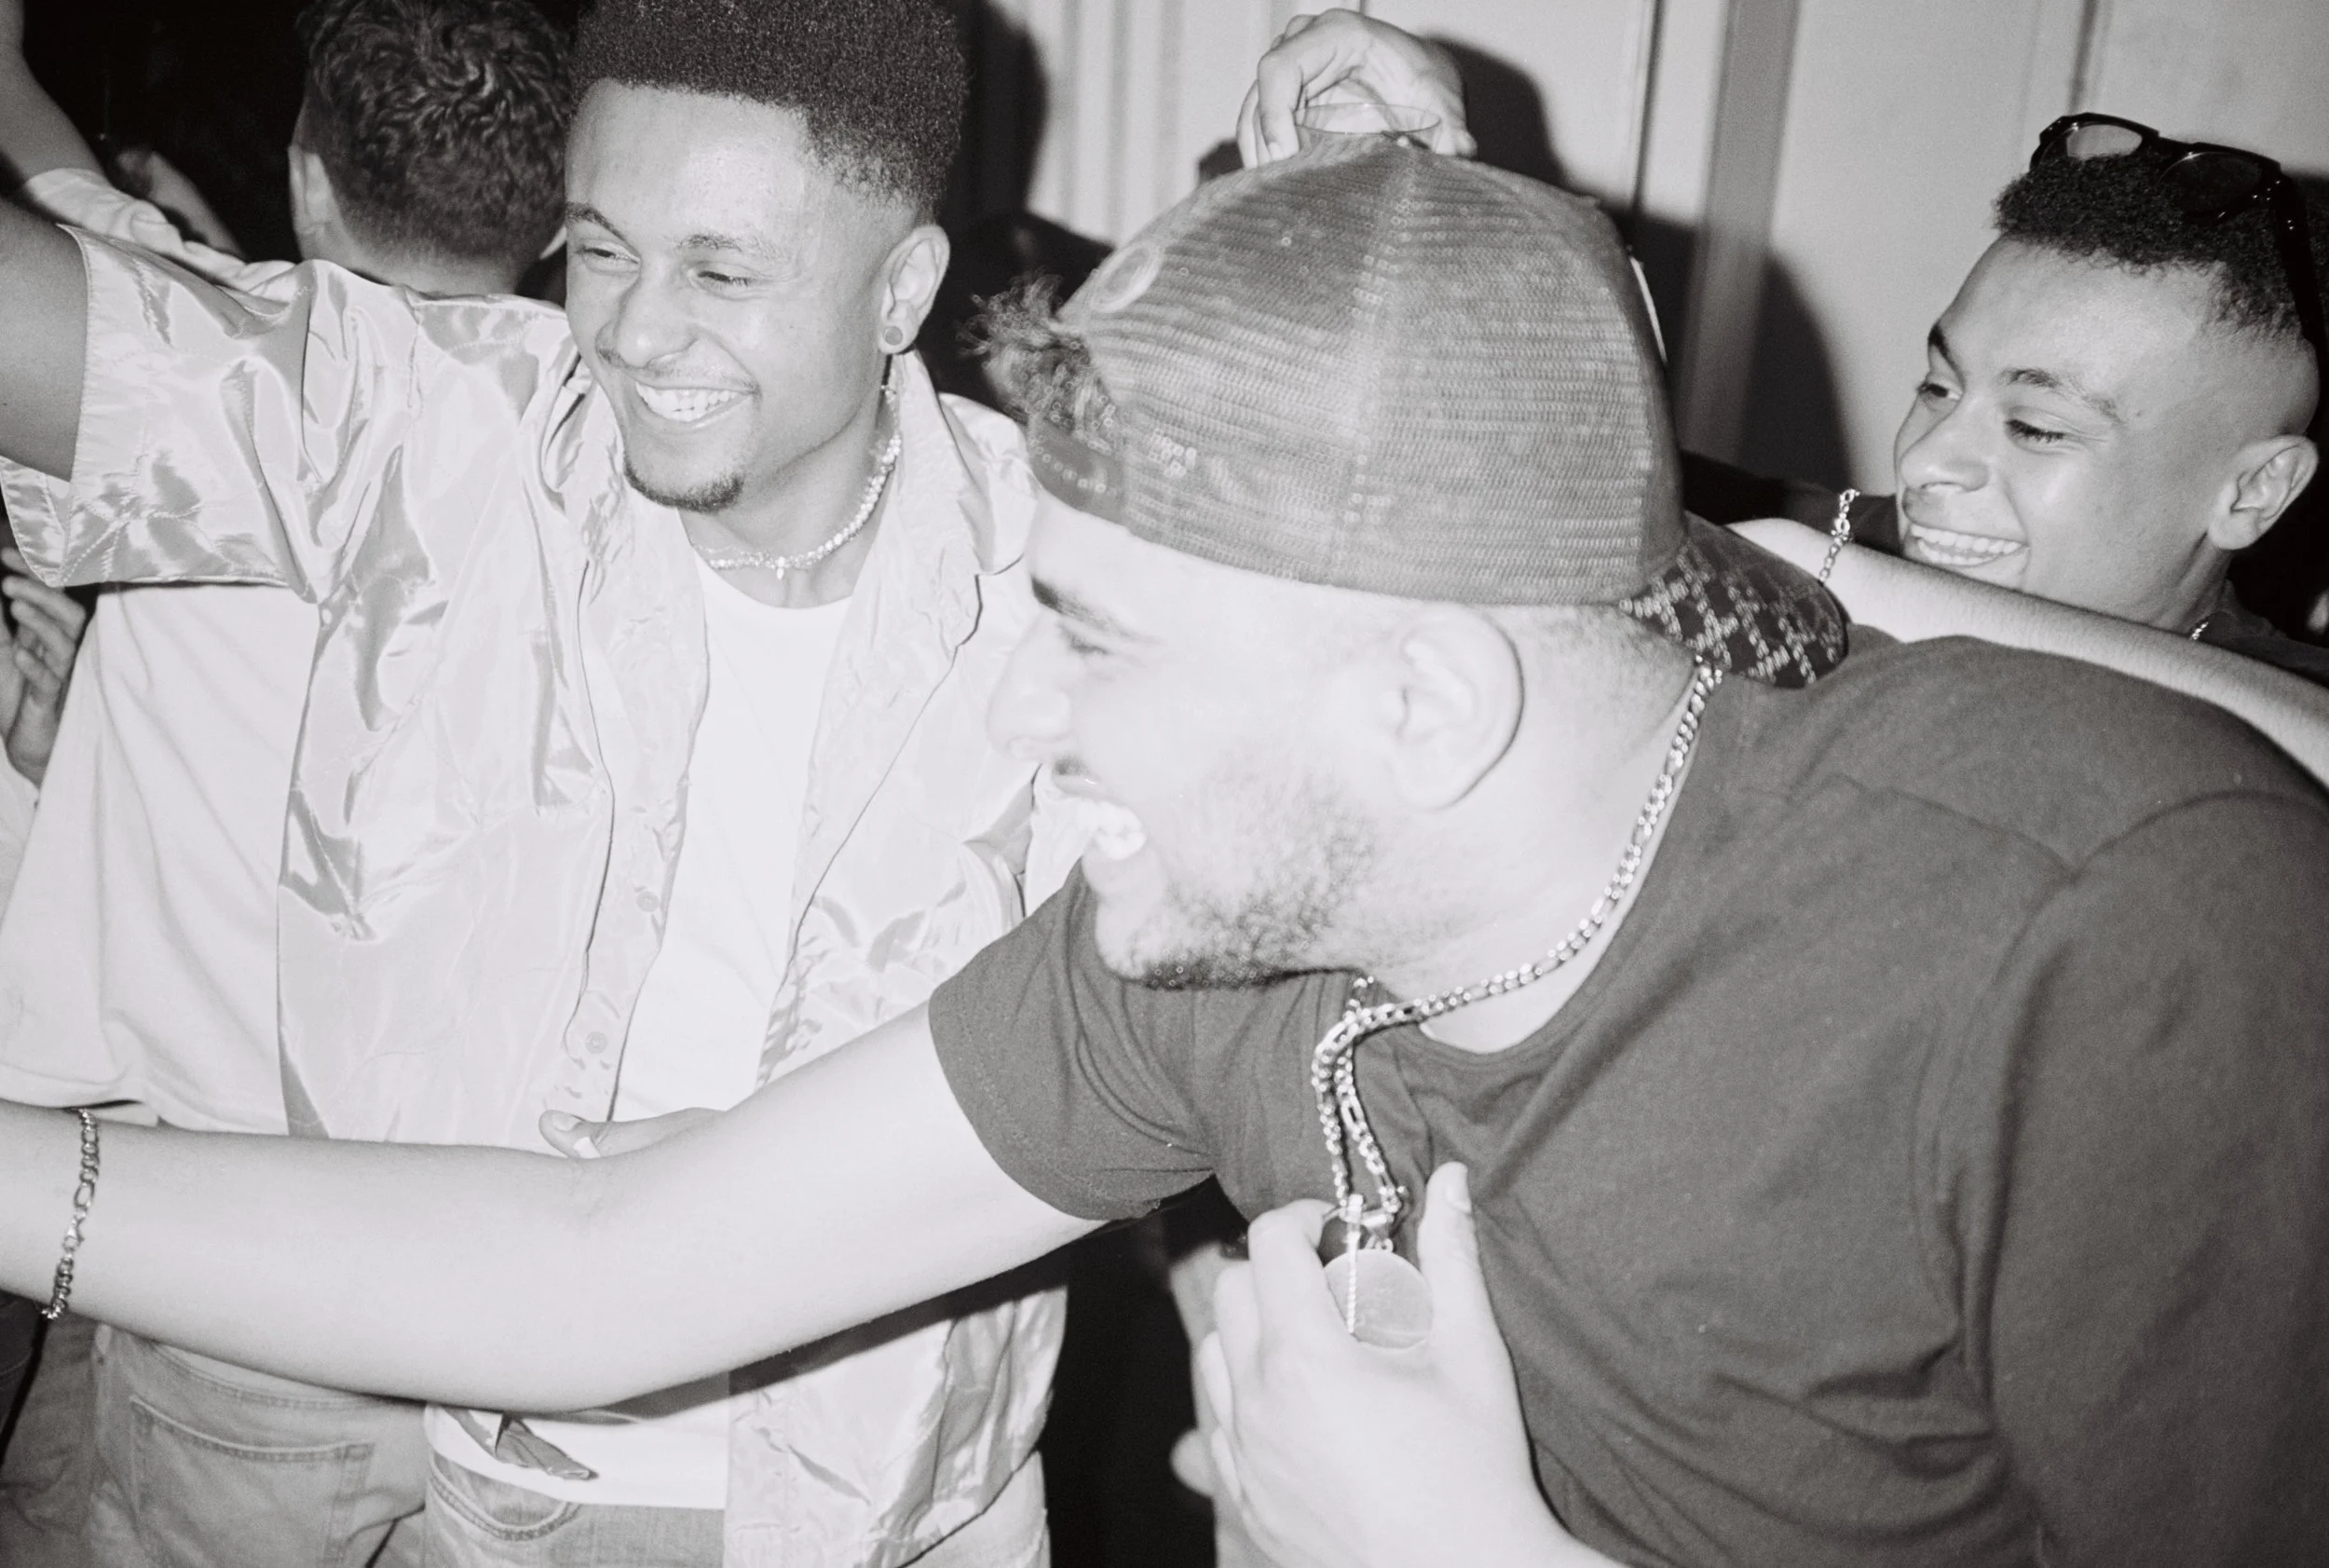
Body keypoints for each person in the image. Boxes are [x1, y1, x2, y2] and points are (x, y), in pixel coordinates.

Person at [5, 133, 2328, 1567]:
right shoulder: (1227, 945)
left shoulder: (2114, 935)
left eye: (1091, 643)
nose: (1023, 718)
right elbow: (605, 1265)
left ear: (1420, 702)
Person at [0, 0, 1086, 1563]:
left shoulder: (1065, 575)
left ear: (902, 288)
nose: (634, 330)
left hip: (904, 1504)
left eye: (720, 271)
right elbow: (78, 347)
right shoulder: (459, 429)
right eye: (600, 250)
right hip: (510, 1489)